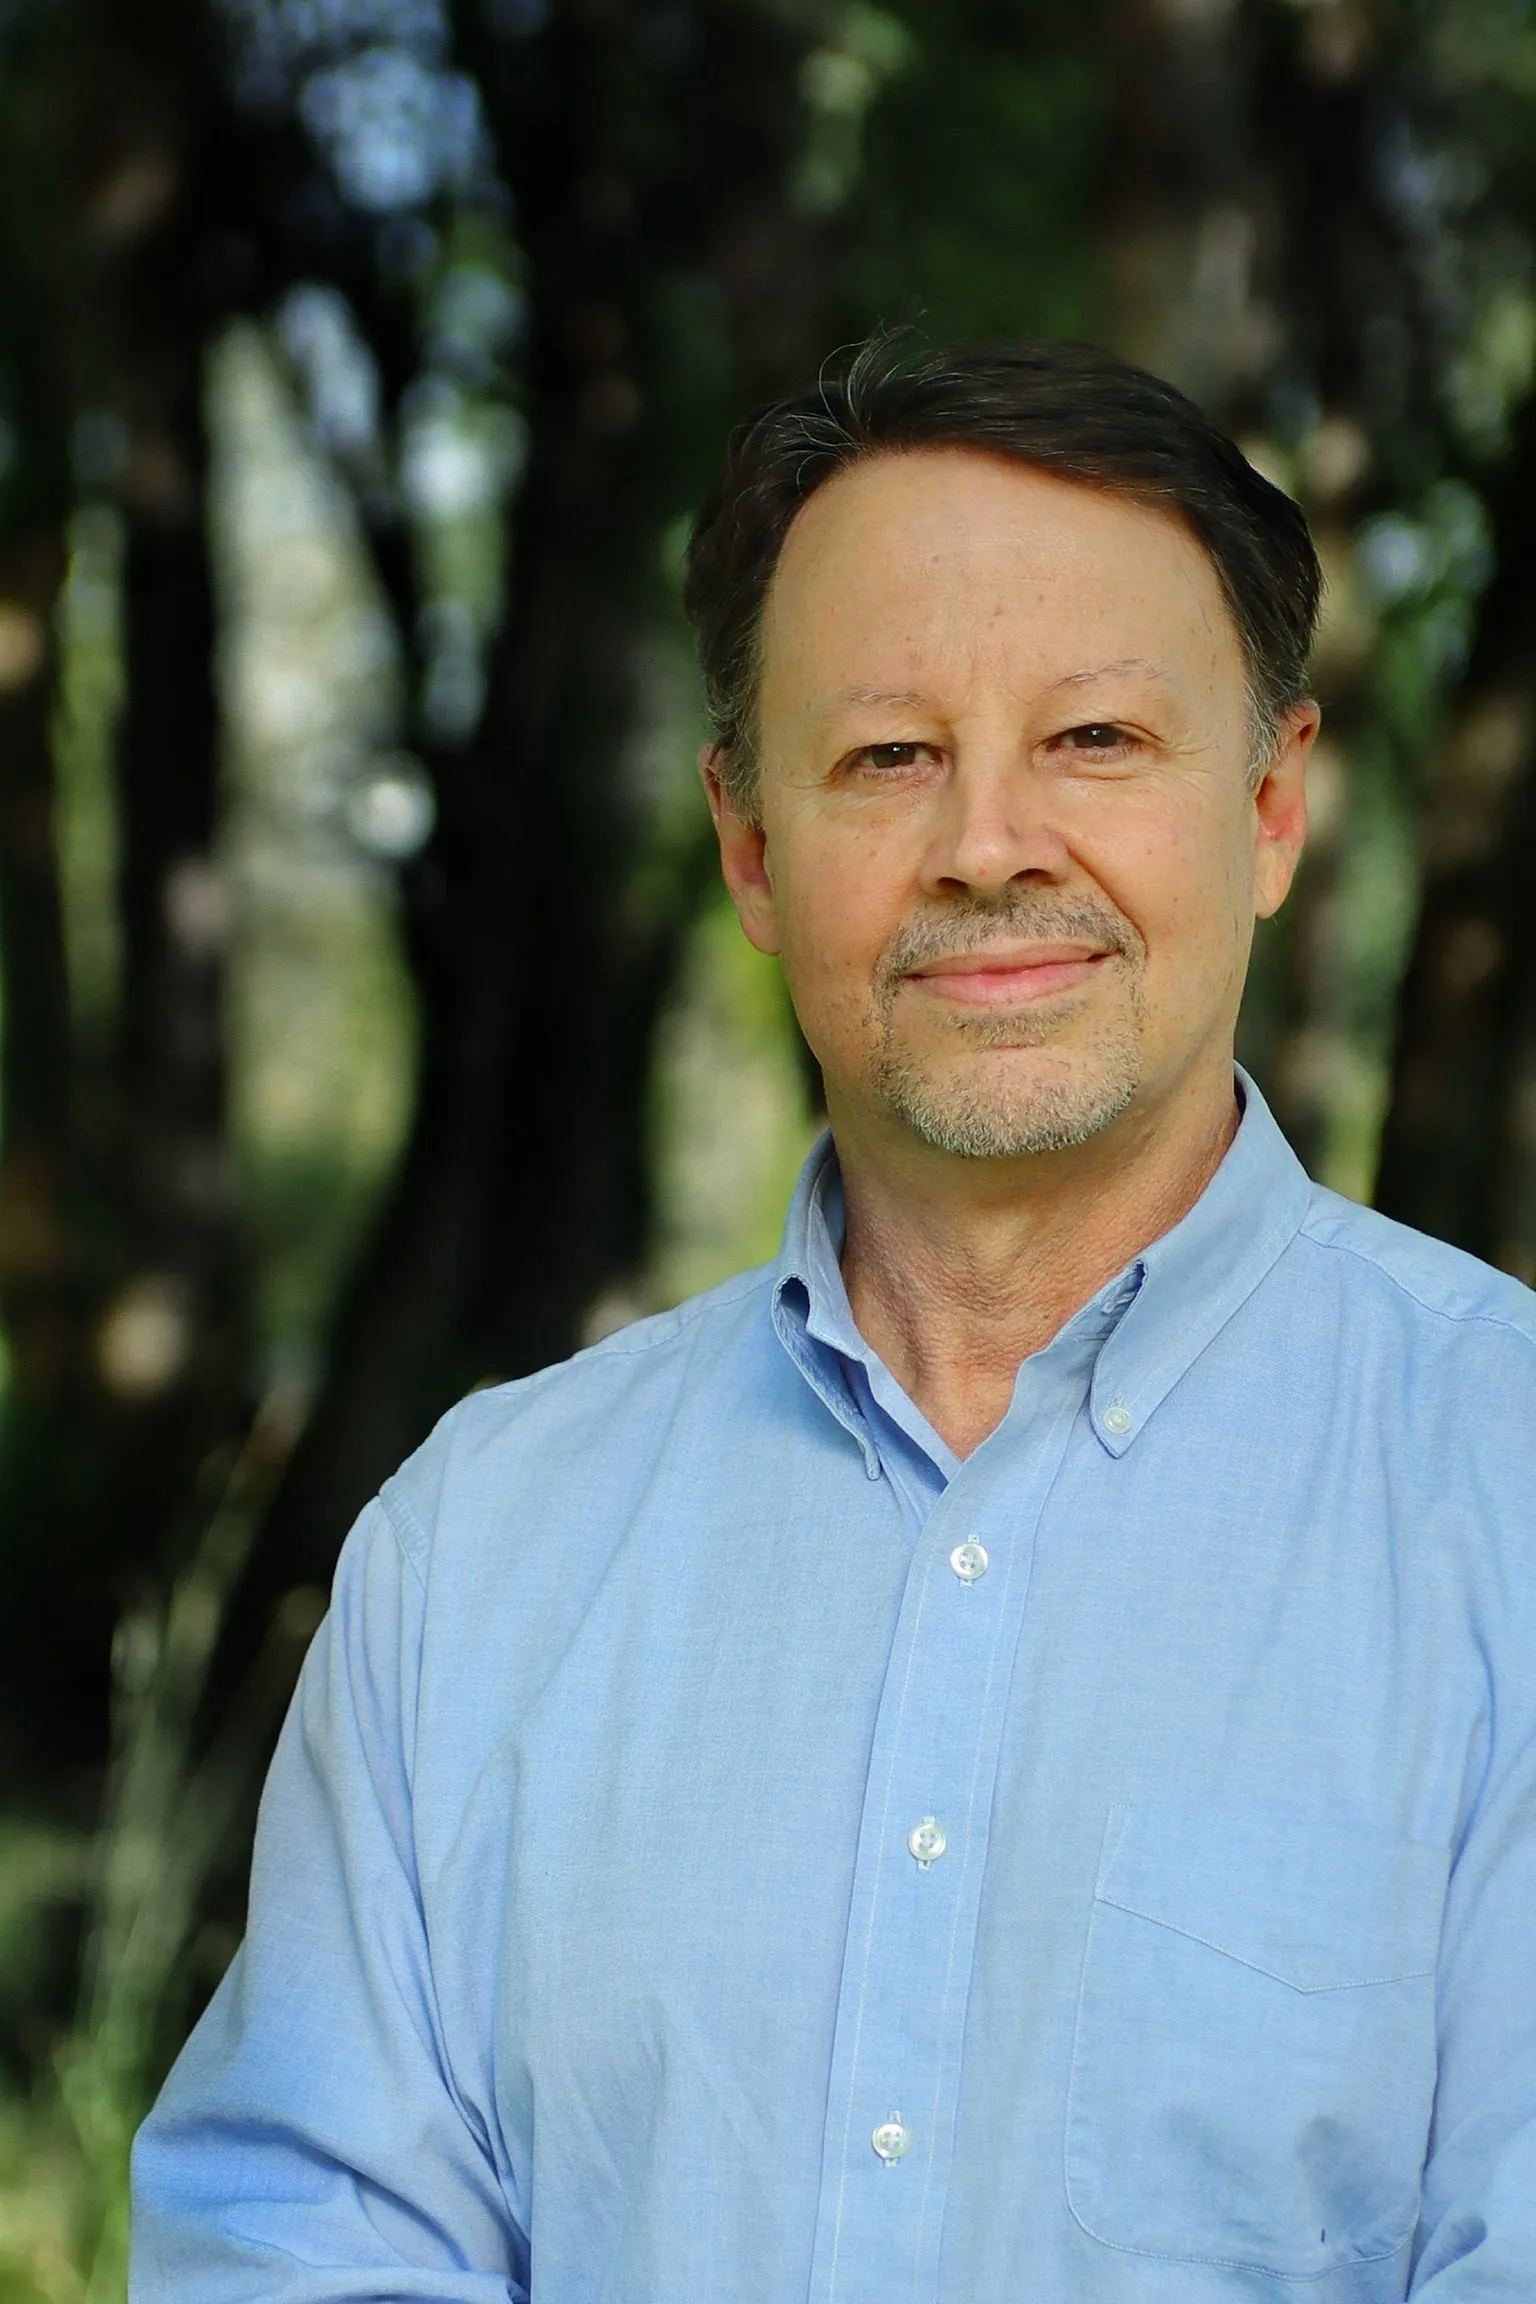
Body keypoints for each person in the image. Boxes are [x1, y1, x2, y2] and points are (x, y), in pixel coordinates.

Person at [131, 336, 1536, 2302]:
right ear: (752, 845)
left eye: (1098, 741)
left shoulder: (1510, 1503)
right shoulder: (474, 1554)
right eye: (889, 754)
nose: (987, 844)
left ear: (1276, 807)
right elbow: (294, 2247)